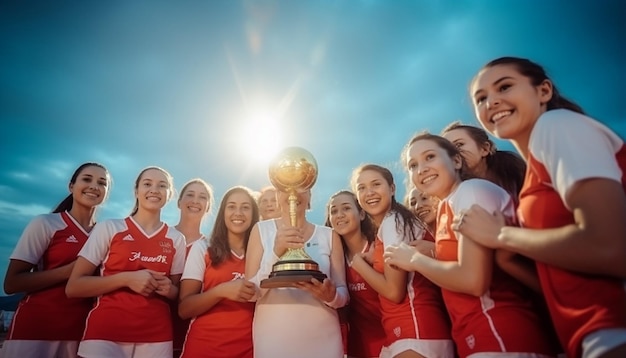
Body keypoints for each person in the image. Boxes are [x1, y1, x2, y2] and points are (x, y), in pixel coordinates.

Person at [456, 56, 626, 358]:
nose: (492, 102)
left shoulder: (556, 125)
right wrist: (509, 260)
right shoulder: (534, 172)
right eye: (481, 99)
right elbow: (560, 277)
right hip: (586, 336)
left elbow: (610, 246)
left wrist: (503, 236)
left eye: (504, 87)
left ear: (544, 91)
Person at [385, 132, 557, 358]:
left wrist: (415, 260)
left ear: (456, 161)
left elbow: (473, 280)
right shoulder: (450, 204)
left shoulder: (472, 190)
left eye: (430, 157)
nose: (421, 169)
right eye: (412, 165)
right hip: (479, 339)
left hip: (501, 335)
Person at [65, 166, 186, 358]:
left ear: (169, 195)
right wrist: (126, 279)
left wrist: (169, 289)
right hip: (105, 334)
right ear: (136, 191)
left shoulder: (176, 239)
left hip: (156, 336)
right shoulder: (110, 228)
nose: (154, 189)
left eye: (162, 185)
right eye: (147, 184)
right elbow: (74, 287)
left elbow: (177, 292)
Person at [1, 163, 110, 358]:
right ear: (71, 186)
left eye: (102, 183)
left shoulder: (106, 234)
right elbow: (12, 283)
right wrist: (73, 270)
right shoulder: (46, 224)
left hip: (81, 334)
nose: (94, 186)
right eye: (87, 179)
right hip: (35, 332)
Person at [351, 164, 453, 358]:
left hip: (415, 330)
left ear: (392, 188)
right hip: (413, 333)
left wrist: (358, 265)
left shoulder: (394, 222)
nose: (369, 192)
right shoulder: (394, 223)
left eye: (375, 184)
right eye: (361, 188)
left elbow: (394, 291)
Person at [245, 188, 348, 358]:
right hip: (273, 341)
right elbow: (251, 293)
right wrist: (275, 252)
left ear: (310, 197)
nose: (293, 193)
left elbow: (343, 292)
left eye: (301, 187)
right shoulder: (261, 230)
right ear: (278, 195)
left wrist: (332, 296)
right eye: (285, 187)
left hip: (323, 340)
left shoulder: (328, 235)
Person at [178, 186, 259, 358]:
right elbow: (184, 309)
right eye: (231, 206)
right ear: (222, 212)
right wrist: (221, 291)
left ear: (254, 214)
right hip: (204, 347)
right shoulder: (203, 248)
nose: (238, 212)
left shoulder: (263, 253)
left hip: (250, 349)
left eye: (245, 207)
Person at [325, 190, 385, 358]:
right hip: (358, 346)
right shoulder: (333, 259)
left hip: (392, 338)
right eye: (334, 211)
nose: (339, 215)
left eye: (346, 208)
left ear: (361, 214)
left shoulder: (378, 247)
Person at [171, 178, 214, 358]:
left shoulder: (211, 248)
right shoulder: (162, 236)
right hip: (151, 333)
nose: (195, 201)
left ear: (208, 206)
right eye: (190, 195)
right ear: (179, 202)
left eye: (202, 197)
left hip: (191, 336)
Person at [441, 121, 526, 203]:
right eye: (446, 151)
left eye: (459, 144)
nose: (453, 153)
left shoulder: (519, 172)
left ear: (484, 149)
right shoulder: (453, 198)